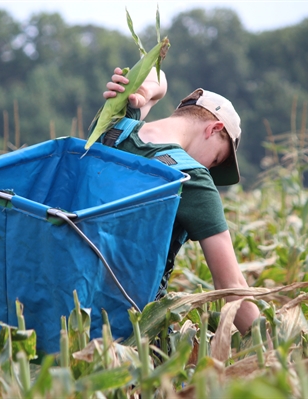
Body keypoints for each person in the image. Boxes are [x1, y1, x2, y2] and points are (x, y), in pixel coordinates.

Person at [100, 67, 259, 334]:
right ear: (214, 128)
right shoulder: (191, 178)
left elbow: (153, 70)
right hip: (134, 329)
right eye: (217, 159)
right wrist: (278, 347)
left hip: (72, 307)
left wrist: (144, 93)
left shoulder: (113, 129)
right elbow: (231, 287)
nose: (208, 168)